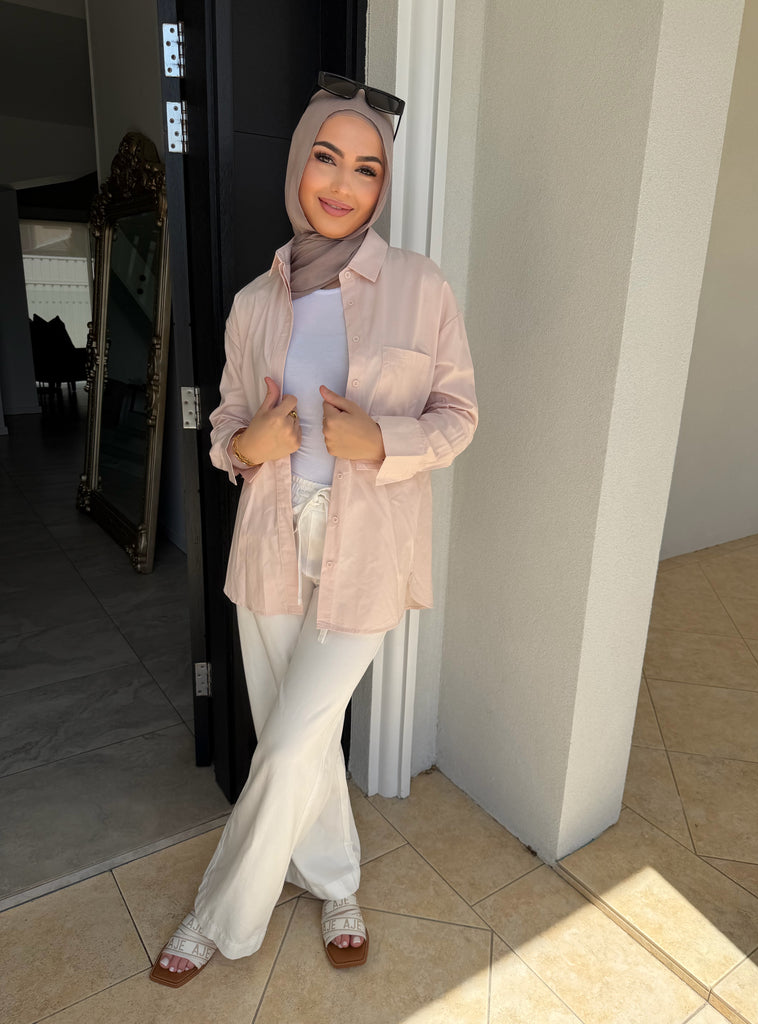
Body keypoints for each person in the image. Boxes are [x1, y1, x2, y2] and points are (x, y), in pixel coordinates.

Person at [150, 71, 477, 987]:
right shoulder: (255, 304)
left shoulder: (419, 287)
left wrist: (381, 439)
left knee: (293, 739)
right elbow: (227, 423)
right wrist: (242, 445)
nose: (342, 183)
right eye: (326, 158)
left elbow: (458, 416)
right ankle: (337, 886)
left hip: (368, 548)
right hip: (270, 540)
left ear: (383, 186)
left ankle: (217, 916)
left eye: (366, 169)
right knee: (300, 732)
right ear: (298, 165)